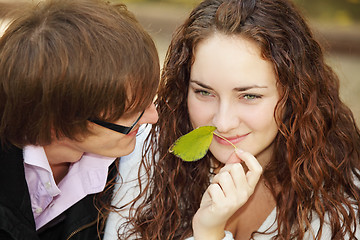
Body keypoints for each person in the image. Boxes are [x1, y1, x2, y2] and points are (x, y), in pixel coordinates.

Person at [104, 0, 360, 239]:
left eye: (249, 96)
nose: (223, 123)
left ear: (296, 94)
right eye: (203, 92)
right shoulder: (148, 150)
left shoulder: (340, 202)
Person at [0, 0, 160, 239]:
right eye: (130, 113)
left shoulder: (127, 167)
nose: (153, 117)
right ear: (57, 126)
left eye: (150, 99)